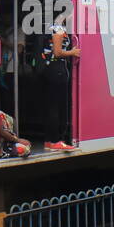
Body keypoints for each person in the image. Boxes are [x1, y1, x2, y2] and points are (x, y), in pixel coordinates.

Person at [40, 15, 79, 151]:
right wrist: (72, 52)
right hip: (57, 70)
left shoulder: (51, 28)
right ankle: (56, 140)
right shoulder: (58, 29)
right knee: (57, 107)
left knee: (52, 105)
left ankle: (49, 141)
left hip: (51, 69)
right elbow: (57, 52)